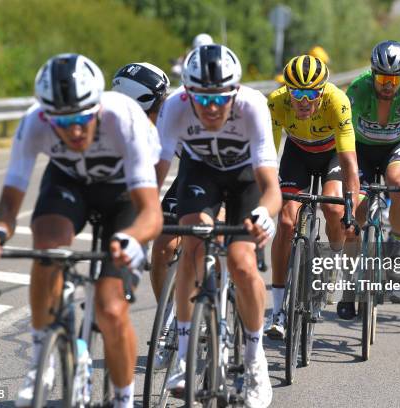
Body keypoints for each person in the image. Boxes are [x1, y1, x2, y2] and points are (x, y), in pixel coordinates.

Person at [0, 53, 163, 408]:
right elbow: (7, 207)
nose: (74, 130)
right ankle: (40, 352)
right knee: (46, 246)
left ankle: (122, 399)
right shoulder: (34, 123)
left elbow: (150, 213)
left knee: (110, 309)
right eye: (62, 122)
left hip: (123, 192)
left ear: (96, 107)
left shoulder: (125, 118)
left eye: (81, 119)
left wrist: (130, 239)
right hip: (69, 184)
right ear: (46, 114)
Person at [155, 44, 281, 408]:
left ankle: (256, 361)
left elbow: (271, 188)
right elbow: (155, 176)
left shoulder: (253, 106)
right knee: (193, 241)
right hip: (201, 174)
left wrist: (262, 215)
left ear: (235, 92)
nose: (211, 107)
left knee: (242, 263)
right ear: (188, 93)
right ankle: (183, 354)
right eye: (202, 98)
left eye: (220, 98)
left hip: (245, 179)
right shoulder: (175, 107)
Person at [264, 55, 359, 339]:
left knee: (333, 208)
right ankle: (279, 310)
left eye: (311, 94)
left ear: (322, 91)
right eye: (297, 93)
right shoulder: (276, 102)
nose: (303, 101)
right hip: (297, 155)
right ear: (287, 90)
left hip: (332, 156)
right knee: (285, 222)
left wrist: (350, 207)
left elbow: (349, 159)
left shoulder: (337, 101)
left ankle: (333, 264)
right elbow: (267, 154)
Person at [339, 40, 400, 311]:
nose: (388, 84)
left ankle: (398, 248)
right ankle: (350, 284)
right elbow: (345, 139)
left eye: (394, 78)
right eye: (382, 77)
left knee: (399, 184)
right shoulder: (358, 89)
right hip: (362, 150)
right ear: (372, 73)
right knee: (353, 220)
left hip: (395, 148)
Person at [111, 62, 174, 300]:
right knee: (163, 248)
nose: (167, 105)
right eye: (161, 102)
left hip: (210, 170)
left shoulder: (174, 115)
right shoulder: (128, 130)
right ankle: (165, 321)